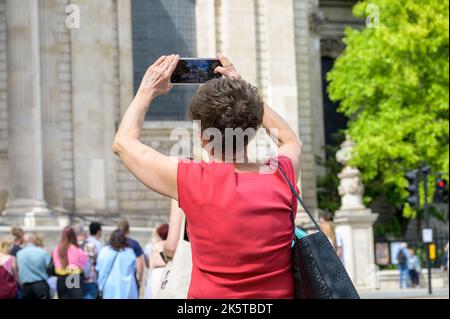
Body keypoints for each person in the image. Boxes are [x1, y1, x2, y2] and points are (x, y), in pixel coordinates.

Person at [113, 54, 302, 298]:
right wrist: (245, 94)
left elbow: (123, 143)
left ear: (204, 138)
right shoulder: (281, 175)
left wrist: (147, 89)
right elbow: (290, 140)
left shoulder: (192, 181)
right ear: (254, 128)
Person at [96, 230, 138, 299]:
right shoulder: (130, 252)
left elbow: (99, 268)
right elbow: (133, 269)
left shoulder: (104, 251)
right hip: (127, 287)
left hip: (109, 287)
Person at [52, 226, 88, 299]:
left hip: (61, 278)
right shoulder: (76, 249)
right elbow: (84, 265)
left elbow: (55, 263)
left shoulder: (57, 249)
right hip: (73, 277)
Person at [16, 233, 51, 299]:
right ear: (34, 240)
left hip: (26, 287)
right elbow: (50, 267)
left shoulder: (19, 253)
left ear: (24, 241)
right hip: (40, 284)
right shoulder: (42, 252)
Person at [116, 218, 144, 291]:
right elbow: (139, 263)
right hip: (131, 279)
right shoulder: (134, 244)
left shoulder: (112, 244)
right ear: (128, 229)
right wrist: (139, 279)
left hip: (116, 278)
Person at [73, 223, 99, 299]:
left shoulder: (71, 246)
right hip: (89, 281)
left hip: (73, 280)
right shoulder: (90, 246)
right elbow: (96, 261)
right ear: (83, 233)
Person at [149, 223, 169, 298]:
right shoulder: (170, 245)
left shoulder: (155, 245)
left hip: (157, 271)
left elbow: (151, 263)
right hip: (167, 270)